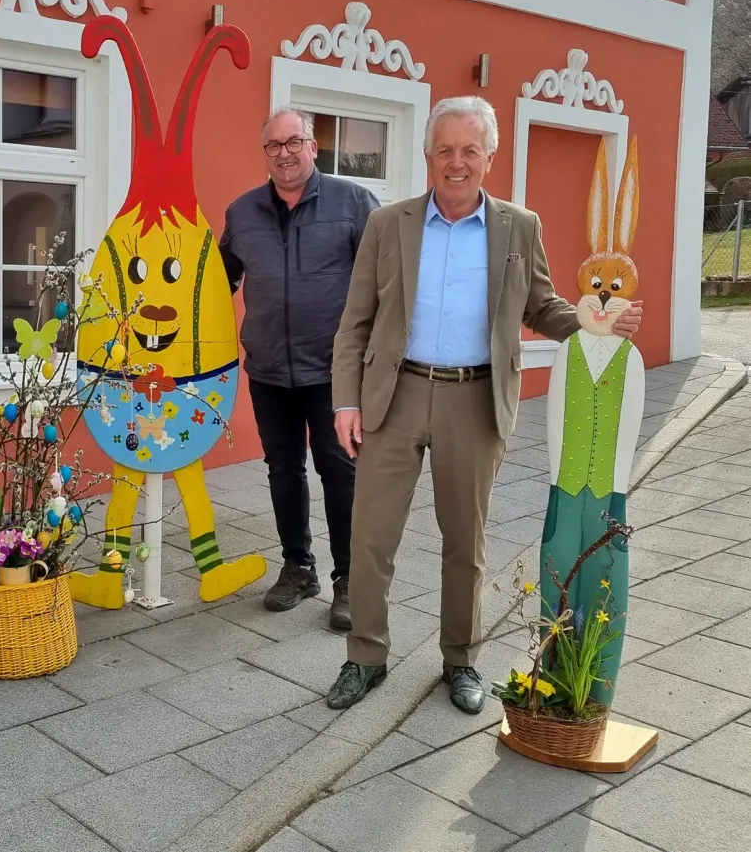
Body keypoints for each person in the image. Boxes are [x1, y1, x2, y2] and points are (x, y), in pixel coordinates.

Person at [324, 95, 643, 714]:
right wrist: (345, 401)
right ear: (428, 156)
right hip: (394, 394)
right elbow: (354, 323)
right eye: (445, 149)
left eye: (470, 149)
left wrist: (595, 323)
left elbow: (542, 305)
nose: (457, 162)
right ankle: (365, 657)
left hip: (475, 398)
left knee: (465, 541)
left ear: (489, 157)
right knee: (370, 536)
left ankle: (461, 660)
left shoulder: (519, 227)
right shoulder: (389, 224)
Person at [219, 107, 378, 629]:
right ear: (264, 152)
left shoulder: (354, 204)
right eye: (273, 146)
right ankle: (298, 566)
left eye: (294, 142)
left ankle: (350, 579)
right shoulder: (242, 213)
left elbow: (386, 281)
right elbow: (219, 282)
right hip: (268, 370)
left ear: (313, 145)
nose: (284, 154)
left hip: (335, 373)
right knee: (283, 471)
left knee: (340, 473)